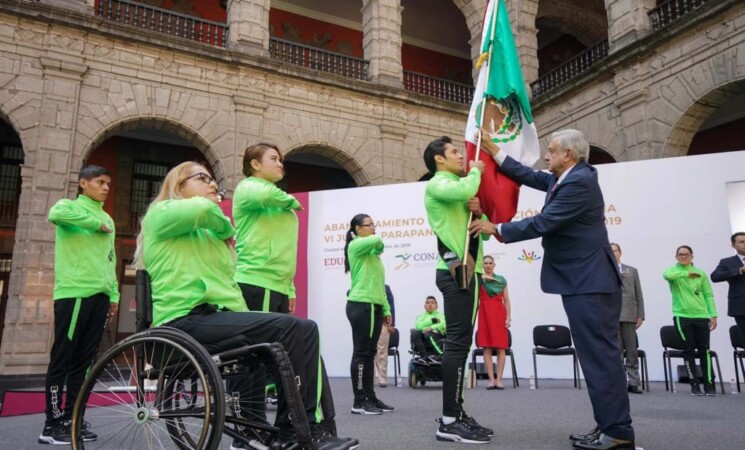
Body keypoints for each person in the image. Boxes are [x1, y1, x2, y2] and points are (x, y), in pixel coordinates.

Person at [134, 161, 358, 450]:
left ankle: (316, 429)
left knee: (305, 329)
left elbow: (229, 290)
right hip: (180, 323)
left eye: (213, 180)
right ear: (178, 185)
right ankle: (296, 434)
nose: (213, 184)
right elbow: (205, 211)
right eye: (202, 178)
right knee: (289, 328)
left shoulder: (209, 237)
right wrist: (222, 222)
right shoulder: (159, 214)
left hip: (213, 317)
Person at [470, 129, 634, 450]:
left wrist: (497, 227)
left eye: (551, 151)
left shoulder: (579, 182)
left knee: (601, 359)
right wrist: (495, 151)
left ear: (568, 155)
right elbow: (530, 176)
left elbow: (545, 222)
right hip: (583, 282)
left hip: (590, 283)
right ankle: (608, 427)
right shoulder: (568, 178)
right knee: (595, 358)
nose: (547, 157)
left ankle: (617, 432)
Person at [39, 165, 120, 445]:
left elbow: (110, 259)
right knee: (63, 359)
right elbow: (55, 214)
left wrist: (114, 296)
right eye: (100, 182)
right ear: (83, 184)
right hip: (73, 294)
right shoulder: (69, 207)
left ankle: (73, 417)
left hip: (99, 296)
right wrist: (93, 223)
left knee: (84, 363)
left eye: (108, 183)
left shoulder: (108, 218)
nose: (106, 187)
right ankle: (51, 423)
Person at [423, 136, 494, 445]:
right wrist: (476, 172)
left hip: (470, 272)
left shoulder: (460, 191)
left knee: (462, 345)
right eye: (454, 152)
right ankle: (449, 420)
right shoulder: (439, 183)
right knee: (456, 345)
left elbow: (485, 234)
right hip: (455, 275)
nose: (463, 156)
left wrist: (478, 213)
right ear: (439, 159)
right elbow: (466, 187)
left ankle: (457, 412)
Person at [232, 143, 300, 418]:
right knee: (251, 359)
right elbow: (270, 196)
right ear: (255, 164)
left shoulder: (273, 196)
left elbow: (285, 247)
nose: (281, 164)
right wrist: (290, 200)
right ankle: (246, 431)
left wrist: (290, 287)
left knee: (273, 358)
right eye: (274, 158)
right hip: (256, 280)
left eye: (282, 159)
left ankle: (263, 428)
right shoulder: (249, 187)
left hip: (277, 285)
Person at [343, 214, 394, 415]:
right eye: (369, 224)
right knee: (361, 353)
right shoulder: (355, 246)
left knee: (370, 354)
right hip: (361, 305)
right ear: (357, 229)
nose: (374, 228)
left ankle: (370, 397)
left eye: (374, 224)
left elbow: (380, 285)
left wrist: (387, 309)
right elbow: (377, 241)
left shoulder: (371, 254)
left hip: (375, 305)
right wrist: (376, 240)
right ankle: (359, 401)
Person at [664, 245, 718, 396]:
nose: (683, 257)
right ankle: (694, 383)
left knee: (704, 350)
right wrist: (687, 273)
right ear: (676, 257)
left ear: (692, 256)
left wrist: (713, 314)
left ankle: (709, 384)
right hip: (682, 316)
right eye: (680, 255)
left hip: (701, 315)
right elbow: (667, 276)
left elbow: (708, 294)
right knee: (688, 350)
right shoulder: (674, 271)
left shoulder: (701, 273)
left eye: (686, 255)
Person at [610, 243, 645, 395]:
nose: (613, 253)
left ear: (620, 252)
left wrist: (641, 314)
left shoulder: (631, 270)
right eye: (610, 251)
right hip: (612, 315)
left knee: (631, 351)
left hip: (630, 315)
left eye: (615, 250)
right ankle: (618, 382)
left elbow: (639, 294)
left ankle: (634, 382)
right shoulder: (602, 270)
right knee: (616, 351)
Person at [476, 255, 511, 390]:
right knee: (487, 348)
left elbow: (507, 300)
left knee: (501, 348)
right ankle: (491, 380)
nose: (488, 265)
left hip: (499, 314)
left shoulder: (501, 280)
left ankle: (499, 380)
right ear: (482, 265)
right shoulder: (478, 280)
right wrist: (481, 278)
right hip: (484, 314)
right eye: (485, 263)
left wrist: (508, 317)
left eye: (490, 263)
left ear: (494, 265)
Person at [710, 232, 745, 346]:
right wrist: (740, 270)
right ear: (733, 245)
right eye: (741, 242)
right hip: (741, 307)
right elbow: (715, 277)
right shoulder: (727, 262)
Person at [411, 295, 447, 362]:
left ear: (436, 306)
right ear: (425, 306)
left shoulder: (441, 315)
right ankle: (424, 356)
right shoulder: (421, 316)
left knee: (429, 334)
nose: (430, 304)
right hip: (423, 333)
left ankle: (440, 355)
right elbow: (418, 326)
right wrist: (433, 321)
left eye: (432, 303)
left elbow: (443, 324)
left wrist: (431, 327)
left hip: (436, 334)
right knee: (414, 332)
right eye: (428, 303)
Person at [374, 285, 396, 387]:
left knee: (382, 350)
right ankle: (369, 378)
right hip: (368, 322)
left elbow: (391, 305)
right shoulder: (364, 286)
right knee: (368, 351)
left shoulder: (385, 288)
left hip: (383, 323)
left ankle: (383, 378)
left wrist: (391, 323)